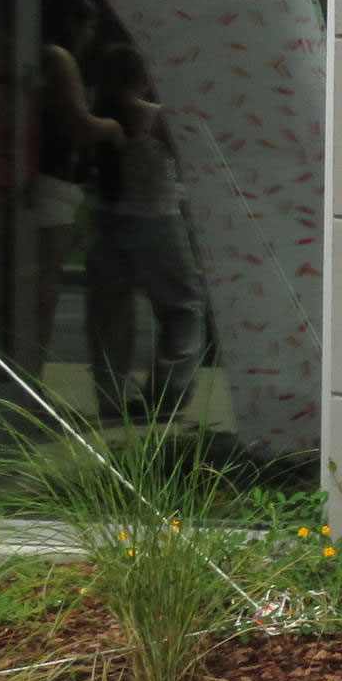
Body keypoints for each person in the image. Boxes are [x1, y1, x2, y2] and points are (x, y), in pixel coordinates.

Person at [85, 41, 207, 419]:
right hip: (156, 221)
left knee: (110, 316)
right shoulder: (153, 117)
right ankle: (167, 396)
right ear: (142, 76)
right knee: (182, 308)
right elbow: (192, 158)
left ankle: (111, 399)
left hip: (106, 222)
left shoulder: (95, 116)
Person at [34, 0, 123, 377]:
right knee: (44, 288)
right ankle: (30, 377)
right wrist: (112, 128)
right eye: (88, 28)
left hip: (41, 182)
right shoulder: (57, 57)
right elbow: (78, 123)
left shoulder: (31, 53)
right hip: (52, 182)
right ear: (71, 23)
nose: (90, 38)